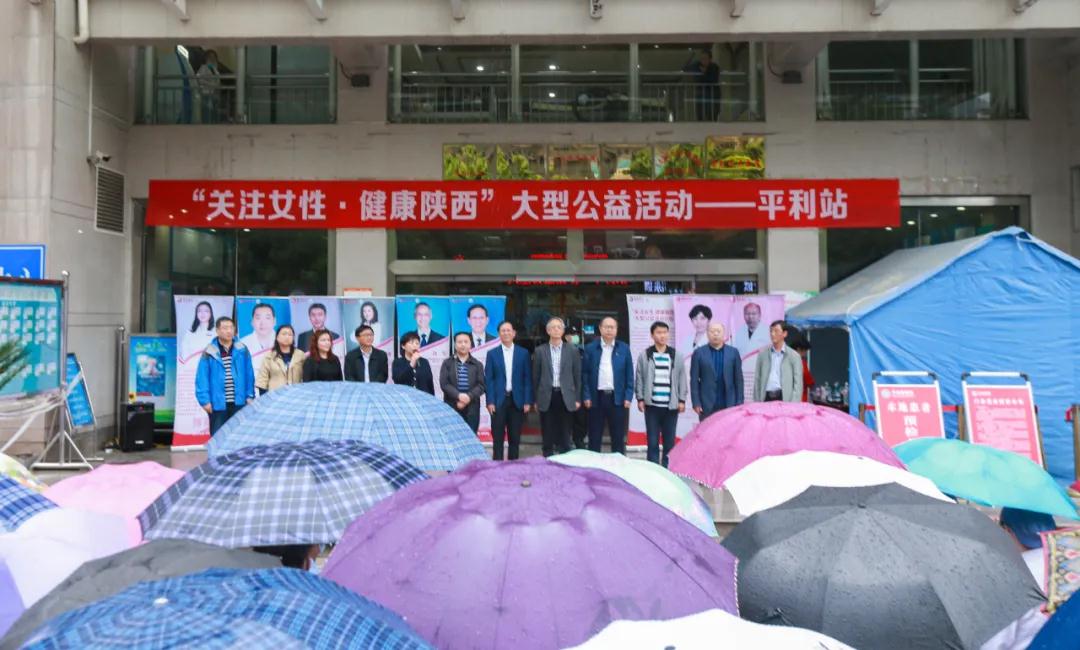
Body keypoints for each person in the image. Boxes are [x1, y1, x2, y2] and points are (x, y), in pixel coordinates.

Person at [635, 321, 688, 467]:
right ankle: (652, 470)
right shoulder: (645, 355)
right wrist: (640, 398)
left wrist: (682, 400)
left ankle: (666, 469)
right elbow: (639, 378)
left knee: (669, 441)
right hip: (652, 405)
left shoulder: (676, 355)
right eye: (659, 332)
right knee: (652, 441)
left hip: (671, 406)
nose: (662, 335)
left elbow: (682, 378)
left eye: (665, 332)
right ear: (652, 335)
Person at [582, 317, 635, 454]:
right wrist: (586, 396)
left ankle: (618, 464)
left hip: (617, 398)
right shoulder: (590, 348)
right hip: (596, 397)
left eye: (612, 327)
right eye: (606, 327)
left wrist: (628, 396)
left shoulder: (624, 348)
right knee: (594, 436)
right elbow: (585, 374)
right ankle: (594, 464)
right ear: (600, 329)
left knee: (618, 436)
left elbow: (629, 374)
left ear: (616, 330)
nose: (609, 330)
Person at [195, 317, 255, 435]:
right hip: (218, 404)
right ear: (217, 331)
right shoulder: (209, 351)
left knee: (237, 436)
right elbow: (202, 378)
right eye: (225, 328)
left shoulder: (242, 349)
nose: (229, 331)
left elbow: (249, 374)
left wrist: (249, 395)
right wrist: (205, 400)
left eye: (231, 328)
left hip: (239, 402)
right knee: (218, 436)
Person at [532, 317, 581, 457]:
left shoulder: (572, 350)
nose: (556, 330)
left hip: (566, 395)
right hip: (546, 395)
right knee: (547, 430)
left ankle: (564, 458)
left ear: (563, 331)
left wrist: (577, 398)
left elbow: (577, 376)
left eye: (559, 327)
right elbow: (535, 377)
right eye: (552, 327)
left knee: (565, 431)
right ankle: (547, 457)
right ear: (548, 331)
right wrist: (535, 399)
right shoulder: (540, 351)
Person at [485, 320, 533, 460]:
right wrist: (490, 401)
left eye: (508, 330)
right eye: (503, 331)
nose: (506, 333)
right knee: (497, 437)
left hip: (517, 400)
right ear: (499, 334)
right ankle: (497, 466)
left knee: (515, 437)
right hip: (498, 400)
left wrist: (527, 400)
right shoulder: (492, 354)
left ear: (514, 333)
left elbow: (527, 378)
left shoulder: (523, 353)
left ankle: (513, 466)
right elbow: (489, 379)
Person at [689, 322, 743, 420]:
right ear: (707, 333)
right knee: (707, 430)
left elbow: (738, 379)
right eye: (712, 331)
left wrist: (739, 401)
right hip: (706, 404)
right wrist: (696, 402)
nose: (715, 334)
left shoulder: (733, 352)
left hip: (729, 403)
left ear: (724, 333)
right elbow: (694, 380)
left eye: (718, 331)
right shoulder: (699, 353)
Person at [440, 332, 486, 433]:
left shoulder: (477, 364)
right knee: (452, 435)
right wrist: (459, 396)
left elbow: (481, 385)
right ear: (455, 345)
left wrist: (468, 397)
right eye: (460, 342)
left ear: (471, 344)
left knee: (471, 436)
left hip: (472, 407)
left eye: (466, 342)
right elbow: (444, 384)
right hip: (452, 405)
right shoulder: (447, 363)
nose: (463, 344)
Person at [753, 320, 803, 402]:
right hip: (766, 397)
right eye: (771, 331)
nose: (772, 334)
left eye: (776, 331)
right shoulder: (762, 355)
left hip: (784, 398)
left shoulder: (794, 356)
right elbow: (757, 379)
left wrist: (793, 404)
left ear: (784, 334)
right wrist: (757, 402)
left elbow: (798, 384)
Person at [255, 324, 306, 395]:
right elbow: (262, 382)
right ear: (277, 337)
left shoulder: (301, 355)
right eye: (284, 334)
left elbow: (307, 378)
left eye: (290, 335)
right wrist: (266, 399)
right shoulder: (269, 357)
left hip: (296, 396)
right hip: (275, 397)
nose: (287, 337)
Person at [564, 326, 588, 450]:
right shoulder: (561, 351)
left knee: (581, 418)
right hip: (565, 390)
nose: (575, 337)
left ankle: (579, 439)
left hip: (580, 390)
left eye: (576, 334)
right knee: (565, 419)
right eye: (572, 334)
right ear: (566, 337)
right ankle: (563, 442)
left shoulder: (582, 351)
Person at [682, 49, 720, 121]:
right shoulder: (696, 65)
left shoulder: (714, 67)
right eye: (702, 58)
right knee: (700, 115)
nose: (703, 61)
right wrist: (690, 58)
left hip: (712, 94)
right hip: (700, 94)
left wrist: (704, 73)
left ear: (710, 59)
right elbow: (684, 68)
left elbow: (713, 80)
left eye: (705, 58)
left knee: (712, 115)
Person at [785, 326, 815, 402]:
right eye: (805, 350)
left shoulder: (786, 361)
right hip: (800, 398)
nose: (806, 353)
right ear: (799, 349)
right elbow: (809, 381)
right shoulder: (801, 363)